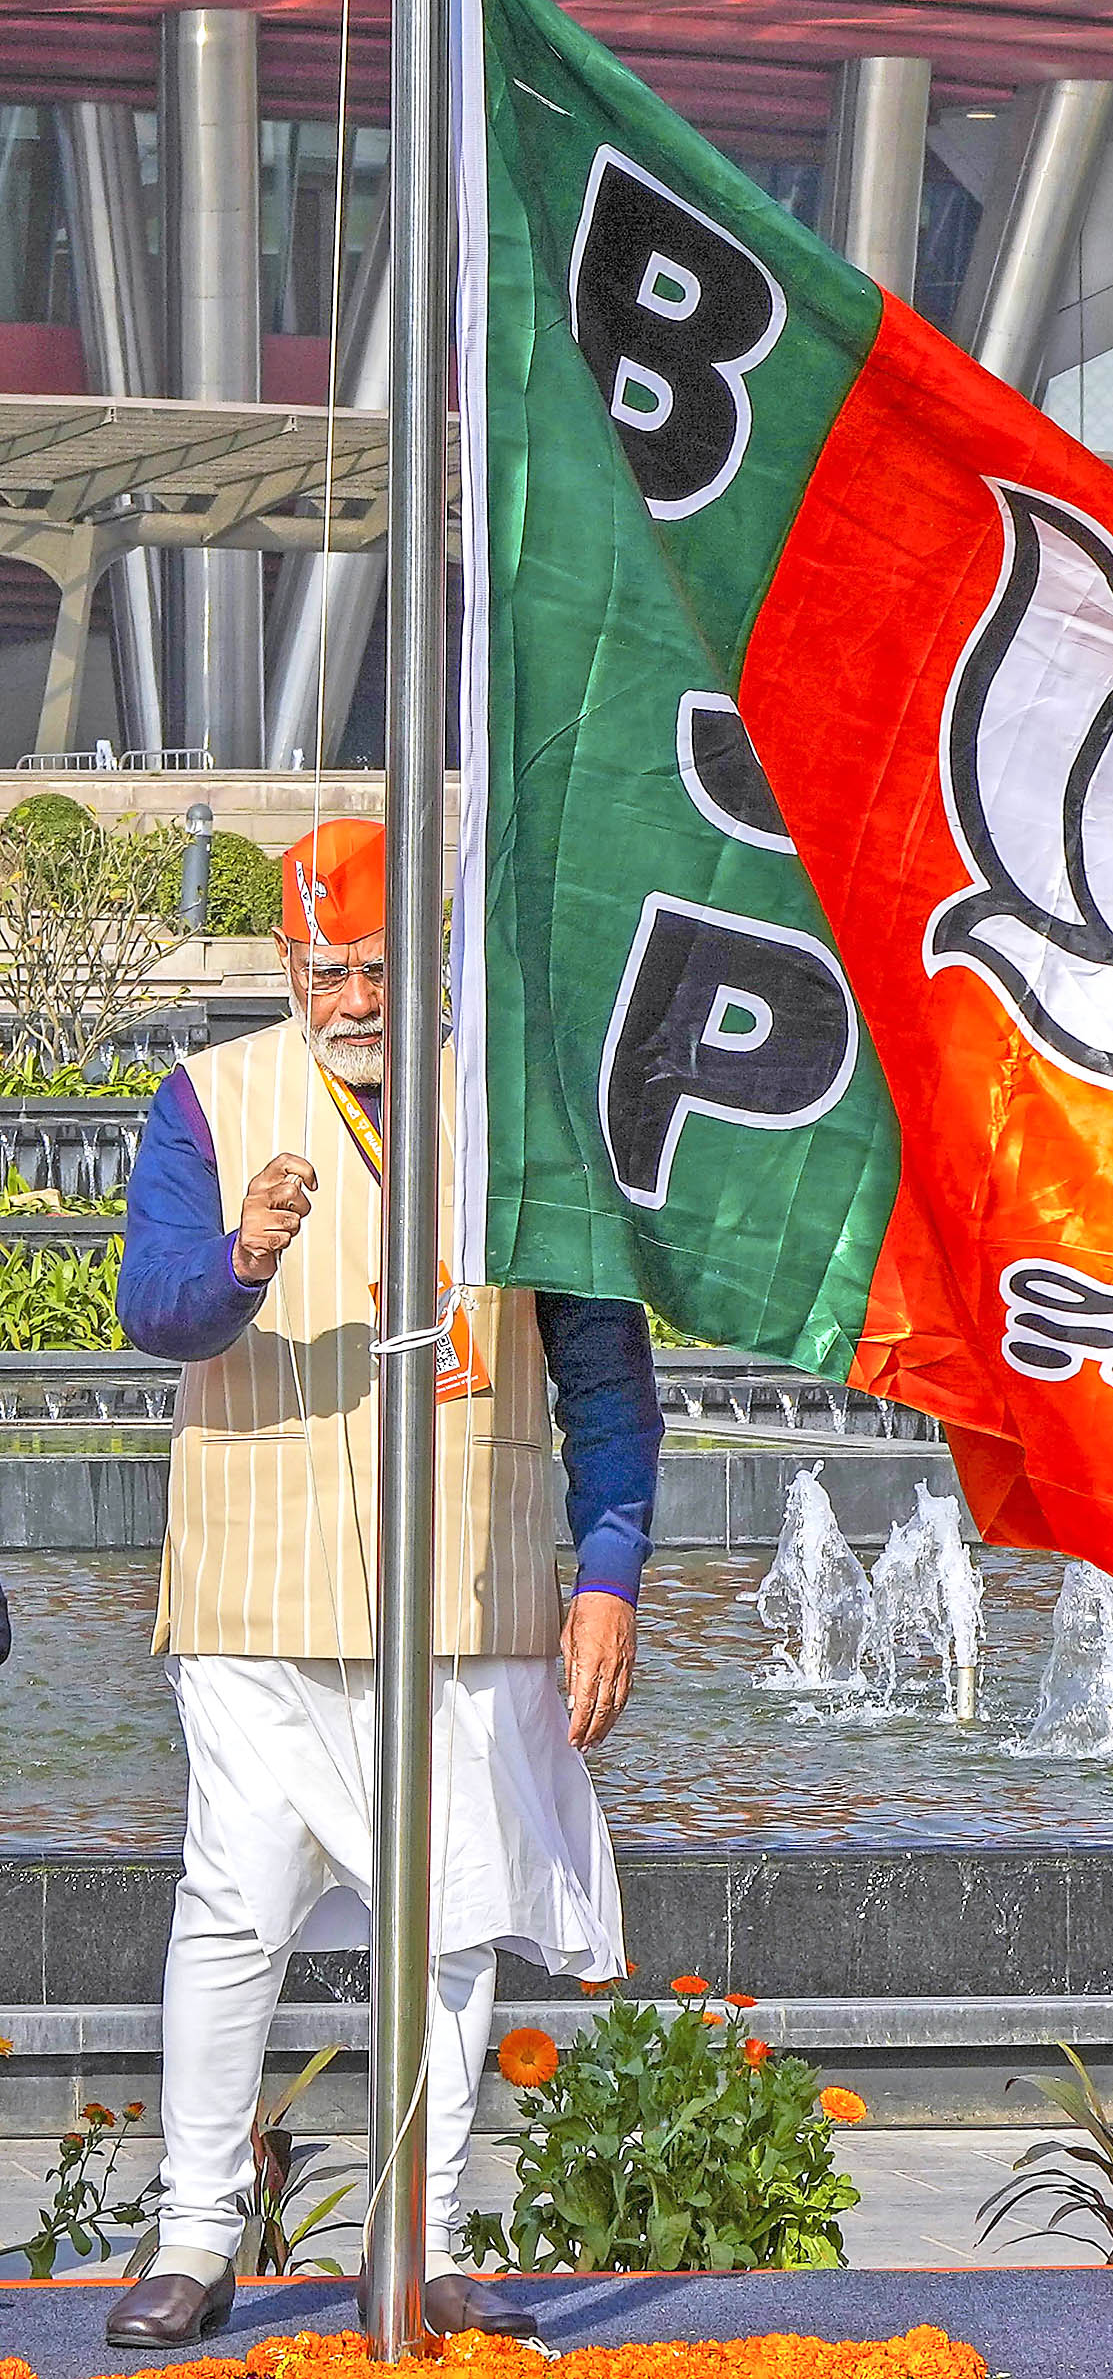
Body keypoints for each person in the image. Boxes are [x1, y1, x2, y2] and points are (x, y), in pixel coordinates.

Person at [107, 818, 662, 2350]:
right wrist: (242, 1254)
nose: (351, 1001)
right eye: (323, 971)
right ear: (285, 966)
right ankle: (197, 2237)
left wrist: (607, 1569)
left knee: (456, 1926)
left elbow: (608, 1379)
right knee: (233, 1914)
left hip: (471, 1590)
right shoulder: (210, 1101)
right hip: (258, 1593)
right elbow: (155, 1313)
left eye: (375, 969)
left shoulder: (524, 1113)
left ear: (425, 962)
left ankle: (430, 2238)